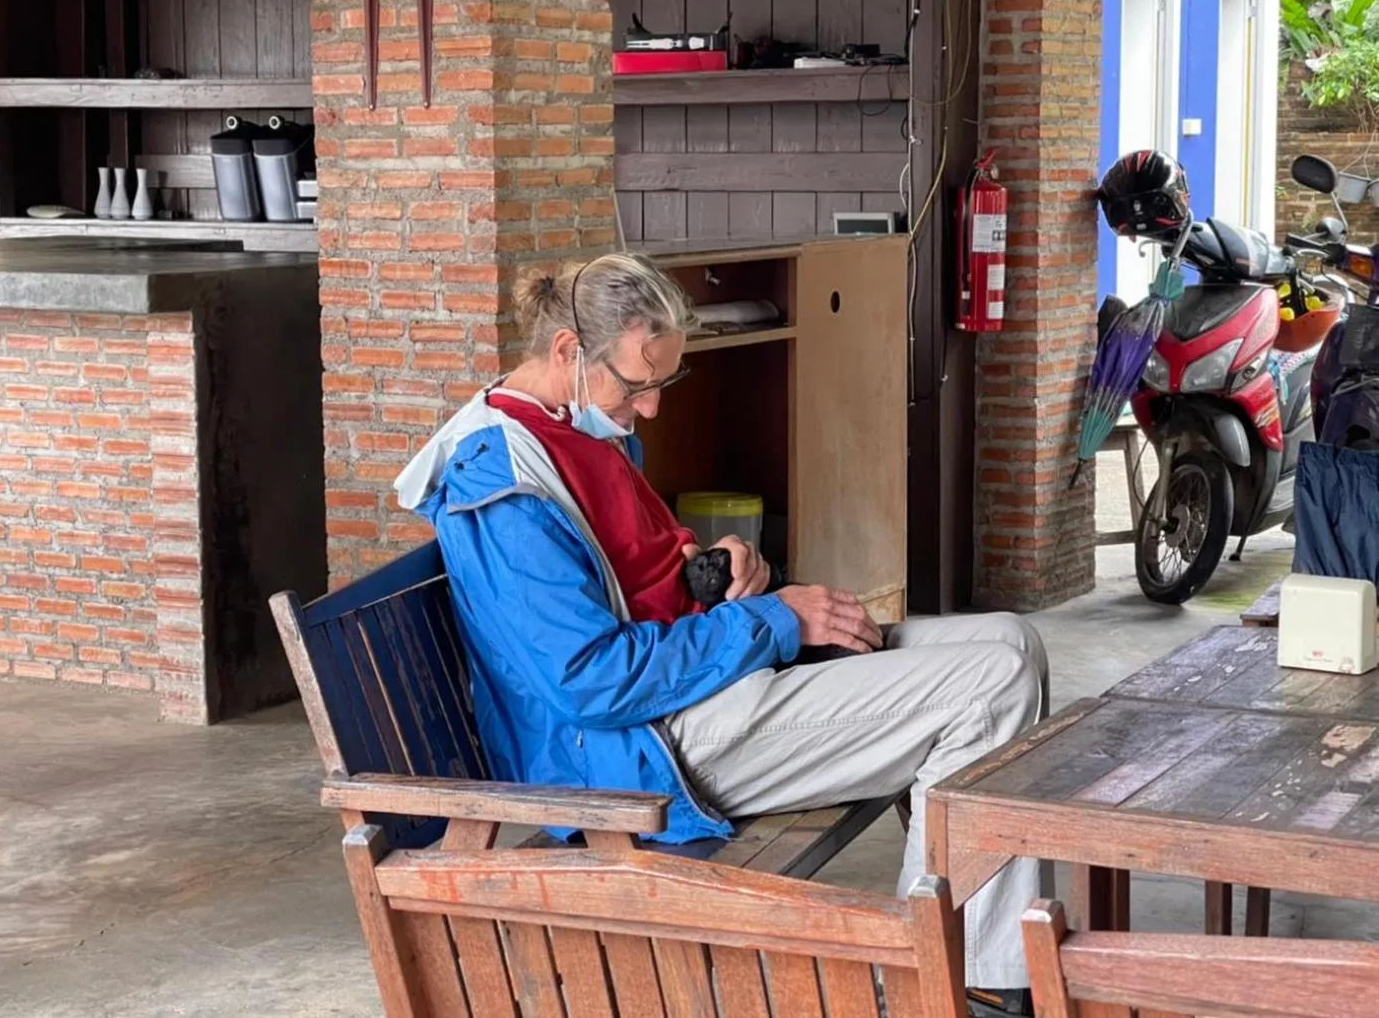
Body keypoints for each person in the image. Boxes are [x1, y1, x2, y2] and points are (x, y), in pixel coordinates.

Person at [393, 253, 1050, 1017]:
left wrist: (719, 566)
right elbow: (590, 681)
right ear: (569, 351)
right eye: (638, 385)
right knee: (990, 685)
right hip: (632, 755)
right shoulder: (500, 487)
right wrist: (772, 618)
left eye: (663, 385)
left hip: (691, 694)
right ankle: (946, 979)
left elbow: (646, 574)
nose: (650, 411)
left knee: (1011, 641)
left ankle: (960, 961)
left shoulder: (579, 425)